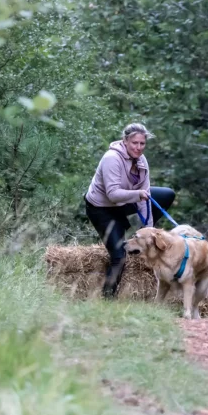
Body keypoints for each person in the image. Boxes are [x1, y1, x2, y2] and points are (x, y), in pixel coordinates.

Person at [84, 123, 176, 298]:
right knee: (119, 257)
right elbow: (113, 194)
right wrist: (138, 195)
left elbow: (145, 197)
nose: (138, 147)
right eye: (134, 143)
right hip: (102, 208)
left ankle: (140, 238)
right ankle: (107, 298)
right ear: (125, 141)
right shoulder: (111, 158)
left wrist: (149, 231)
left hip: (124, 202)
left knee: (166, 194)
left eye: (142, 143)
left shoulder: (141, 160)